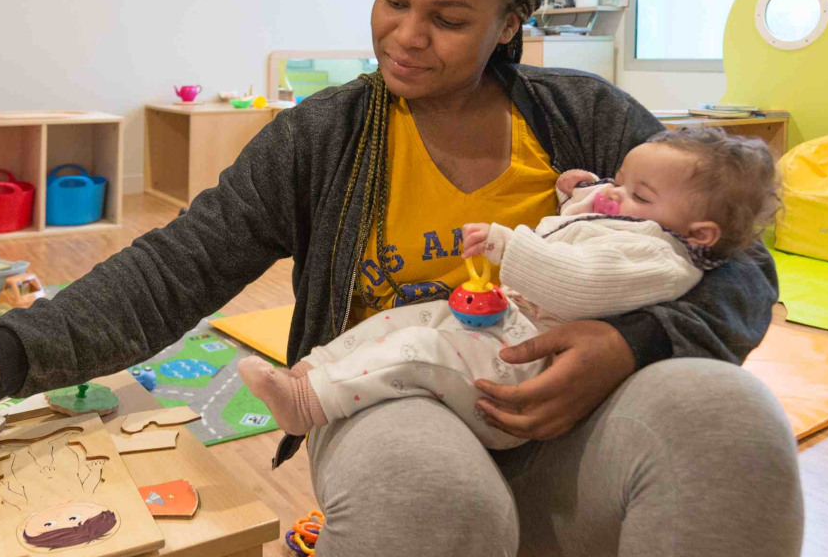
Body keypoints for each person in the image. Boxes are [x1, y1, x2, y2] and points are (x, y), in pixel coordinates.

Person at [0, 0, 803, 557]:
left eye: (450, 18)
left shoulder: (593, 123)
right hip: (394, 405)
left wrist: (627, 347)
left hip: (572, 436)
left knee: (728, 414)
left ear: (512, 26)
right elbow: (177, 265)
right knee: (433, 499)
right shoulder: (326, 139)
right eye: (395, 0)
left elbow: (743, 269)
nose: (407, 35)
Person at [237, 127, 781, 448]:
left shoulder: (661, 257)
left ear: (699, 234)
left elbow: (579, 283)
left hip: (524, 372)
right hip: (501, 325)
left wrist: (507, 246)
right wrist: (584, 190)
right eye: (618, 179)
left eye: (637, 194)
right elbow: (587, 225)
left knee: (420, 350)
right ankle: (312, 369)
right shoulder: (644, 220)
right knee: (404, 320)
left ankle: (308, 403)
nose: (616, 195)